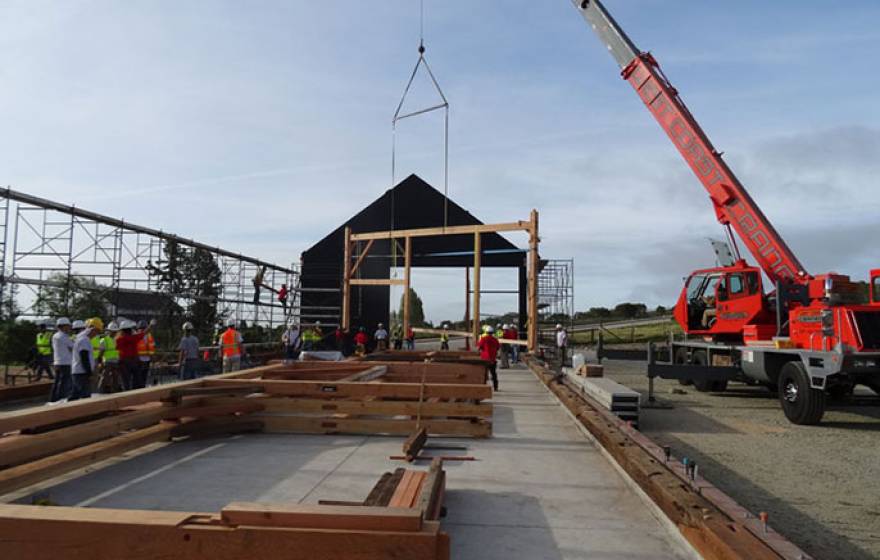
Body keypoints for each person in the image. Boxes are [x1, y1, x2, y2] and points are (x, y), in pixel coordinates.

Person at [115, 319, 152, 391]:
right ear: (129, 330)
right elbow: (143, 334)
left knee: (125, 381)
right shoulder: (133, 338)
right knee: (137, 380)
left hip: (123, 362)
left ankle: (127, 394)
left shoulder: (118, 339)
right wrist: (150, 326)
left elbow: (117, 347)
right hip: (133, 362)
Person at [70, 317, 102, 401]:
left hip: (79, 372)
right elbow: (84, 357)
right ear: (92, 329)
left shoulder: (83, 339)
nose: (96, 334)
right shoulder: (84, 340)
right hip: (81, 372)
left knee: (75, 396)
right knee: (85, 396)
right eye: (97, 331)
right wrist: (89, 373)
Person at [49, 317, 74, 402]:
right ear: (63, 326)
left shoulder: (55, 336)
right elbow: (73, 347)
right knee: (64, 383)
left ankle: (53, 399)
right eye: (68, 326)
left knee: (57, 382)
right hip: (65, 362)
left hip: (57, 362)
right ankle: (59, 400)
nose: (69, 328)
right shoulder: (63, 336)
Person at [96, 321, 121, 393]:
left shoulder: (117, 339)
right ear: (109, 331)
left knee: (115, 378)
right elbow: (101, 353)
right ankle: (100, 391)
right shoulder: (104, 340)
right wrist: (100, 362)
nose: (114, 333)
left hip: (115, 361)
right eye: (113, 331)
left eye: (115, 331)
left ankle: (115, 391)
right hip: (107, 361)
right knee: (105, 377)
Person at [478, 325, 500, 391]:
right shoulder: (495, 339)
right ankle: (495, 387)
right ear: (492, 332)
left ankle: (483, 387)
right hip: (492, 359)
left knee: (484, 374)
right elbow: (498, 347)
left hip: (484, 359)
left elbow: (480, 347)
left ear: (486, 332)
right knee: (493, 373)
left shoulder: (483, 339)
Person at [135, 320, 155, 389]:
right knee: (140, 377)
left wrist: (152, 358)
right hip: (140, 359)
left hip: (145, 359)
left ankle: (141, 388)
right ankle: (140, 388)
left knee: (142, 376)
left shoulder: (148, 336)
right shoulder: (137, 335)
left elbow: (151, 347)